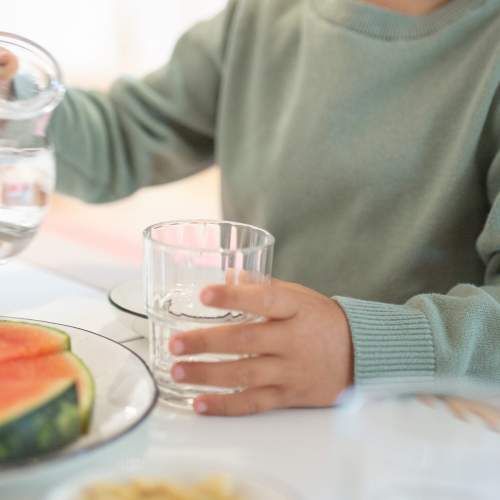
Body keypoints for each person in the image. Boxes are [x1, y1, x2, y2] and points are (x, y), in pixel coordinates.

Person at [1, 0, 499, 417]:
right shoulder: (262, 16)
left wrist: (361, 347)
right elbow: (120, 138)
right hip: (255, 411)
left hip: (427, 431)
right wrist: (14, 93)